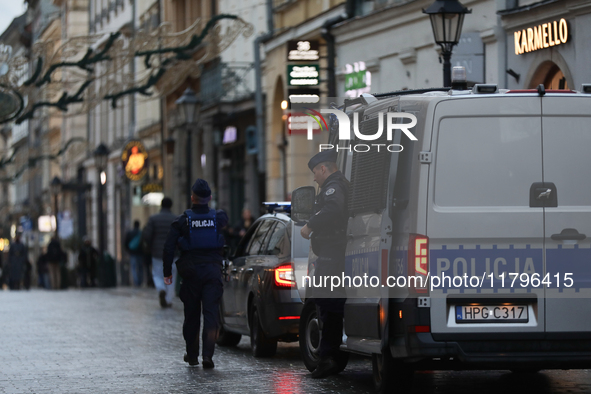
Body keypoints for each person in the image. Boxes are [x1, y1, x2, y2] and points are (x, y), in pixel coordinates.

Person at [163, 179, 228, 369]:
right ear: (209, 197)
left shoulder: (183, 220)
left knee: (191, 316)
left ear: (192, 197)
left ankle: (192, 355)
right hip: (212, 271)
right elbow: (225, 222)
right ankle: (208, 355)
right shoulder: (219, 217)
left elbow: (168, 247)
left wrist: (167, 272)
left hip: (191, 272)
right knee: (211, 315)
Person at [300, 149, 350, 379]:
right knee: (328, 303)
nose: (314, 178)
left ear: (323, 168)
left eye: (315, 173)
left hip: (333, 253)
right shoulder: (335, 184)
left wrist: (310, 225)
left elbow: (333, 209)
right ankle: (332, 355)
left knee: (329, 305)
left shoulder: (334, 186)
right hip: (331, 253)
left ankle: (329, 356)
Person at [143, 197, 178, 308]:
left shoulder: (153, 219)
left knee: (157, 274)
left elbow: (147, 235)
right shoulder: (176, 219)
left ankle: (161, 289)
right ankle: (168, 299)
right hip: (173, 252)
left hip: (157, 252)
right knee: (171, 275)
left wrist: (149, 246)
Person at [125, 220, 144, 287]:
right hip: (140, 253)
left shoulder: (130, 233)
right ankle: (140, 281)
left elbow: (126, 243)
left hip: (132, 253)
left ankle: (136, 282)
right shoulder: (141, 233)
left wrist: (128, 251)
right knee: (140, 268)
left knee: (133, 268)